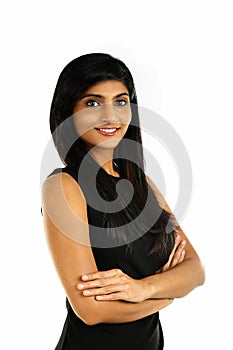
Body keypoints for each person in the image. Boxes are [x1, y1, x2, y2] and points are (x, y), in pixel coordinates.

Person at [41, 53, 205, 350]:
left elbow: (195, 270)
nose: (111, 116)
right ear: (69, 112)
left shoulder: (142, 183)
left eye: (120, 101)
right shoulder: (63, 186)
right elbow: (91, 311)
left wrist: (142, 289)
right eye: (92, 103)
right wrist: (167, 295)